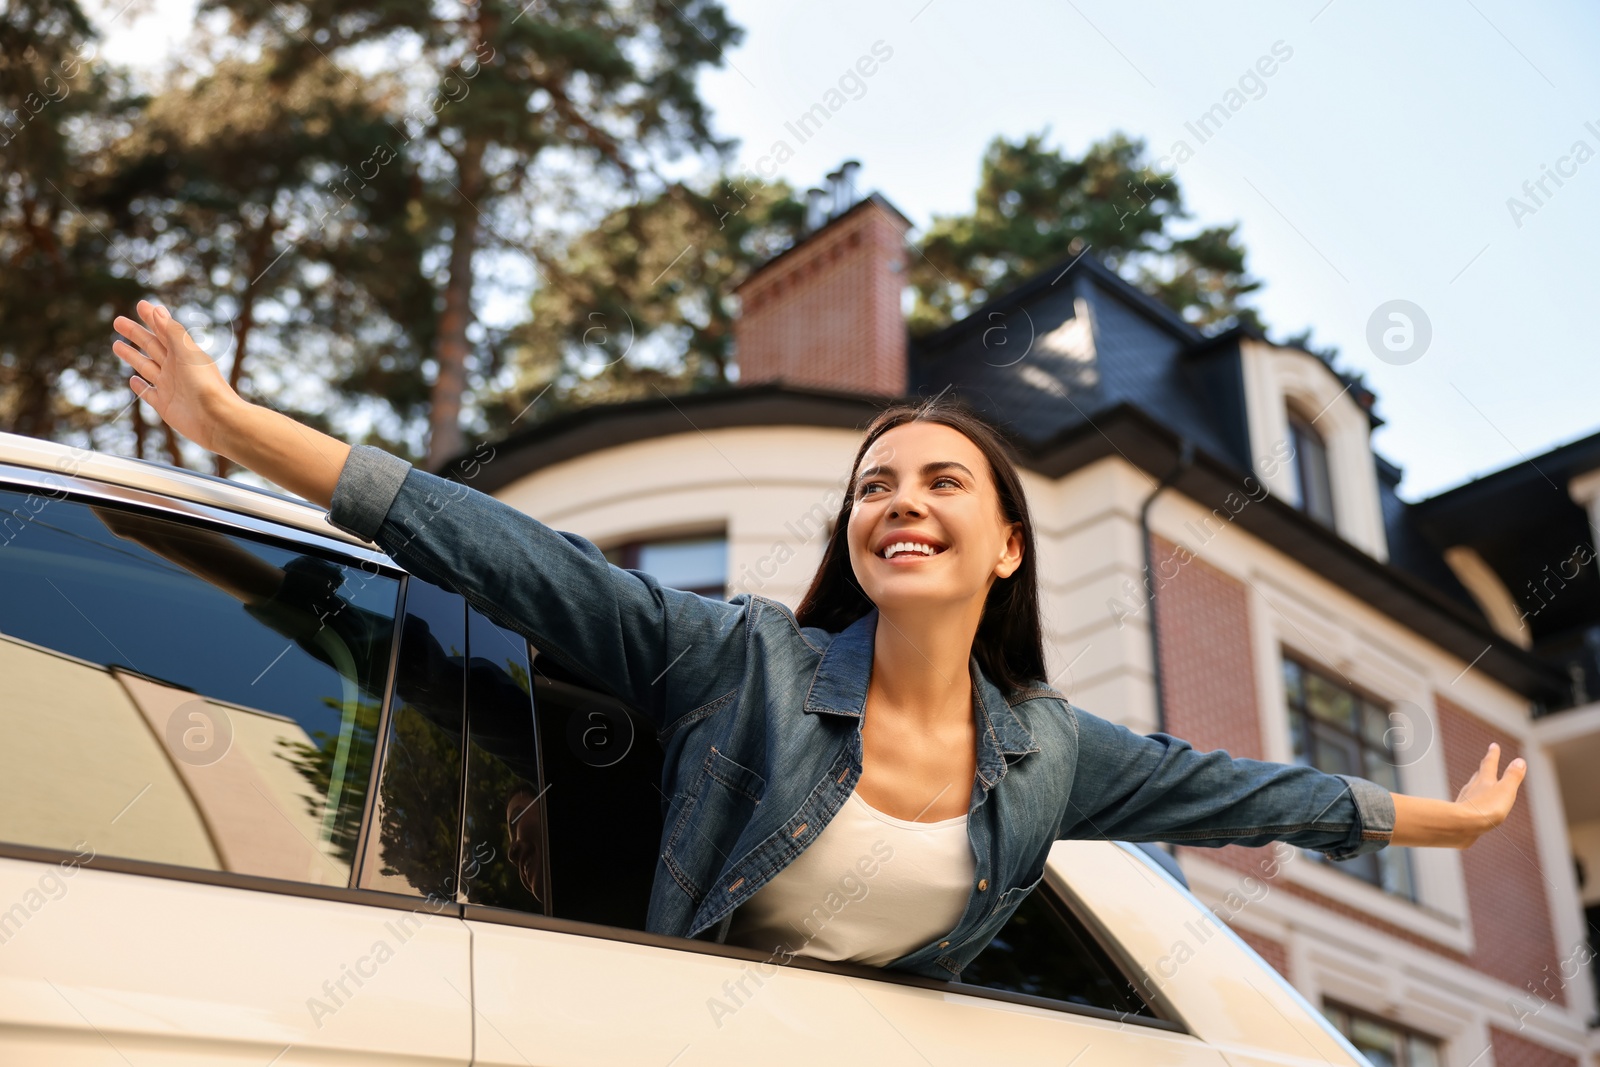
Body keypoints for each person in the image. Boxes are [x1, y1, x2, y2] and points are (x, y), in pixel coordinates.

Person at [111, 299, 1527, 981]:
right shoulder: (741, 664)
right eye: (874, 487)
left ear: (1010, 544)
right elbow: (503, 552)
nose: (899, 504)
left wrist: (1444, 830)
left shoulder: (1051, 756)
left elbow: (1247, 792)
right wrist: (235, 430)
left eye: (940, 482)